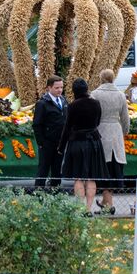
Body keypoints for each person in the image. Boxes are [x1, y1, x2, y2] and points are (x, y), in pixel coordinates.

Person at [58, 78, 109, 216]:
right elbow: (97, 122)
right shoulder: (96, 103)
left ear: (74, 91)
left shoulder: (73, 106)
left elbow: (67, 128)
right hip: (94, 142)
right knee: (91, 178)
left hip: (77, 143)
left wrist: (61, 147)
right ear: (87, 89)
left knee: (78, 178)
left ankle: (80, 209)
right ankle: (88, 209)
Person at [90, 69, 129, 215]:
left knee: (104, 168)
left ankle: (107, 204)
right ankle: (107, 204)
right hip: (116, 131)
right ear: (113, 79)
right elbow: (125, 118)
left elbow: (92, 114)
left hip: (101, 131)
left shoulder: (95, 94)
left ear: (101, 78)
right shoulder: (120, 95)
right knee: (114, 167)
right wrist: (124, 132)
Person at [32, 76, 68, 188]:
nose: (60, 90)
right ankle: (38, 194)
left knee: (57, 170)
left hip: (60, 142)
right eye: (57, 88)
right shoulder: (42, 103)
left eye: (61, 87)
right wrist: (41, 143)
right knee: (43, 169)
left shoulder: (63, 100)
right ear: (49, 88)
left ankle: (56, 193)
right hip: (47, 143)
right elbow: (37, 125)